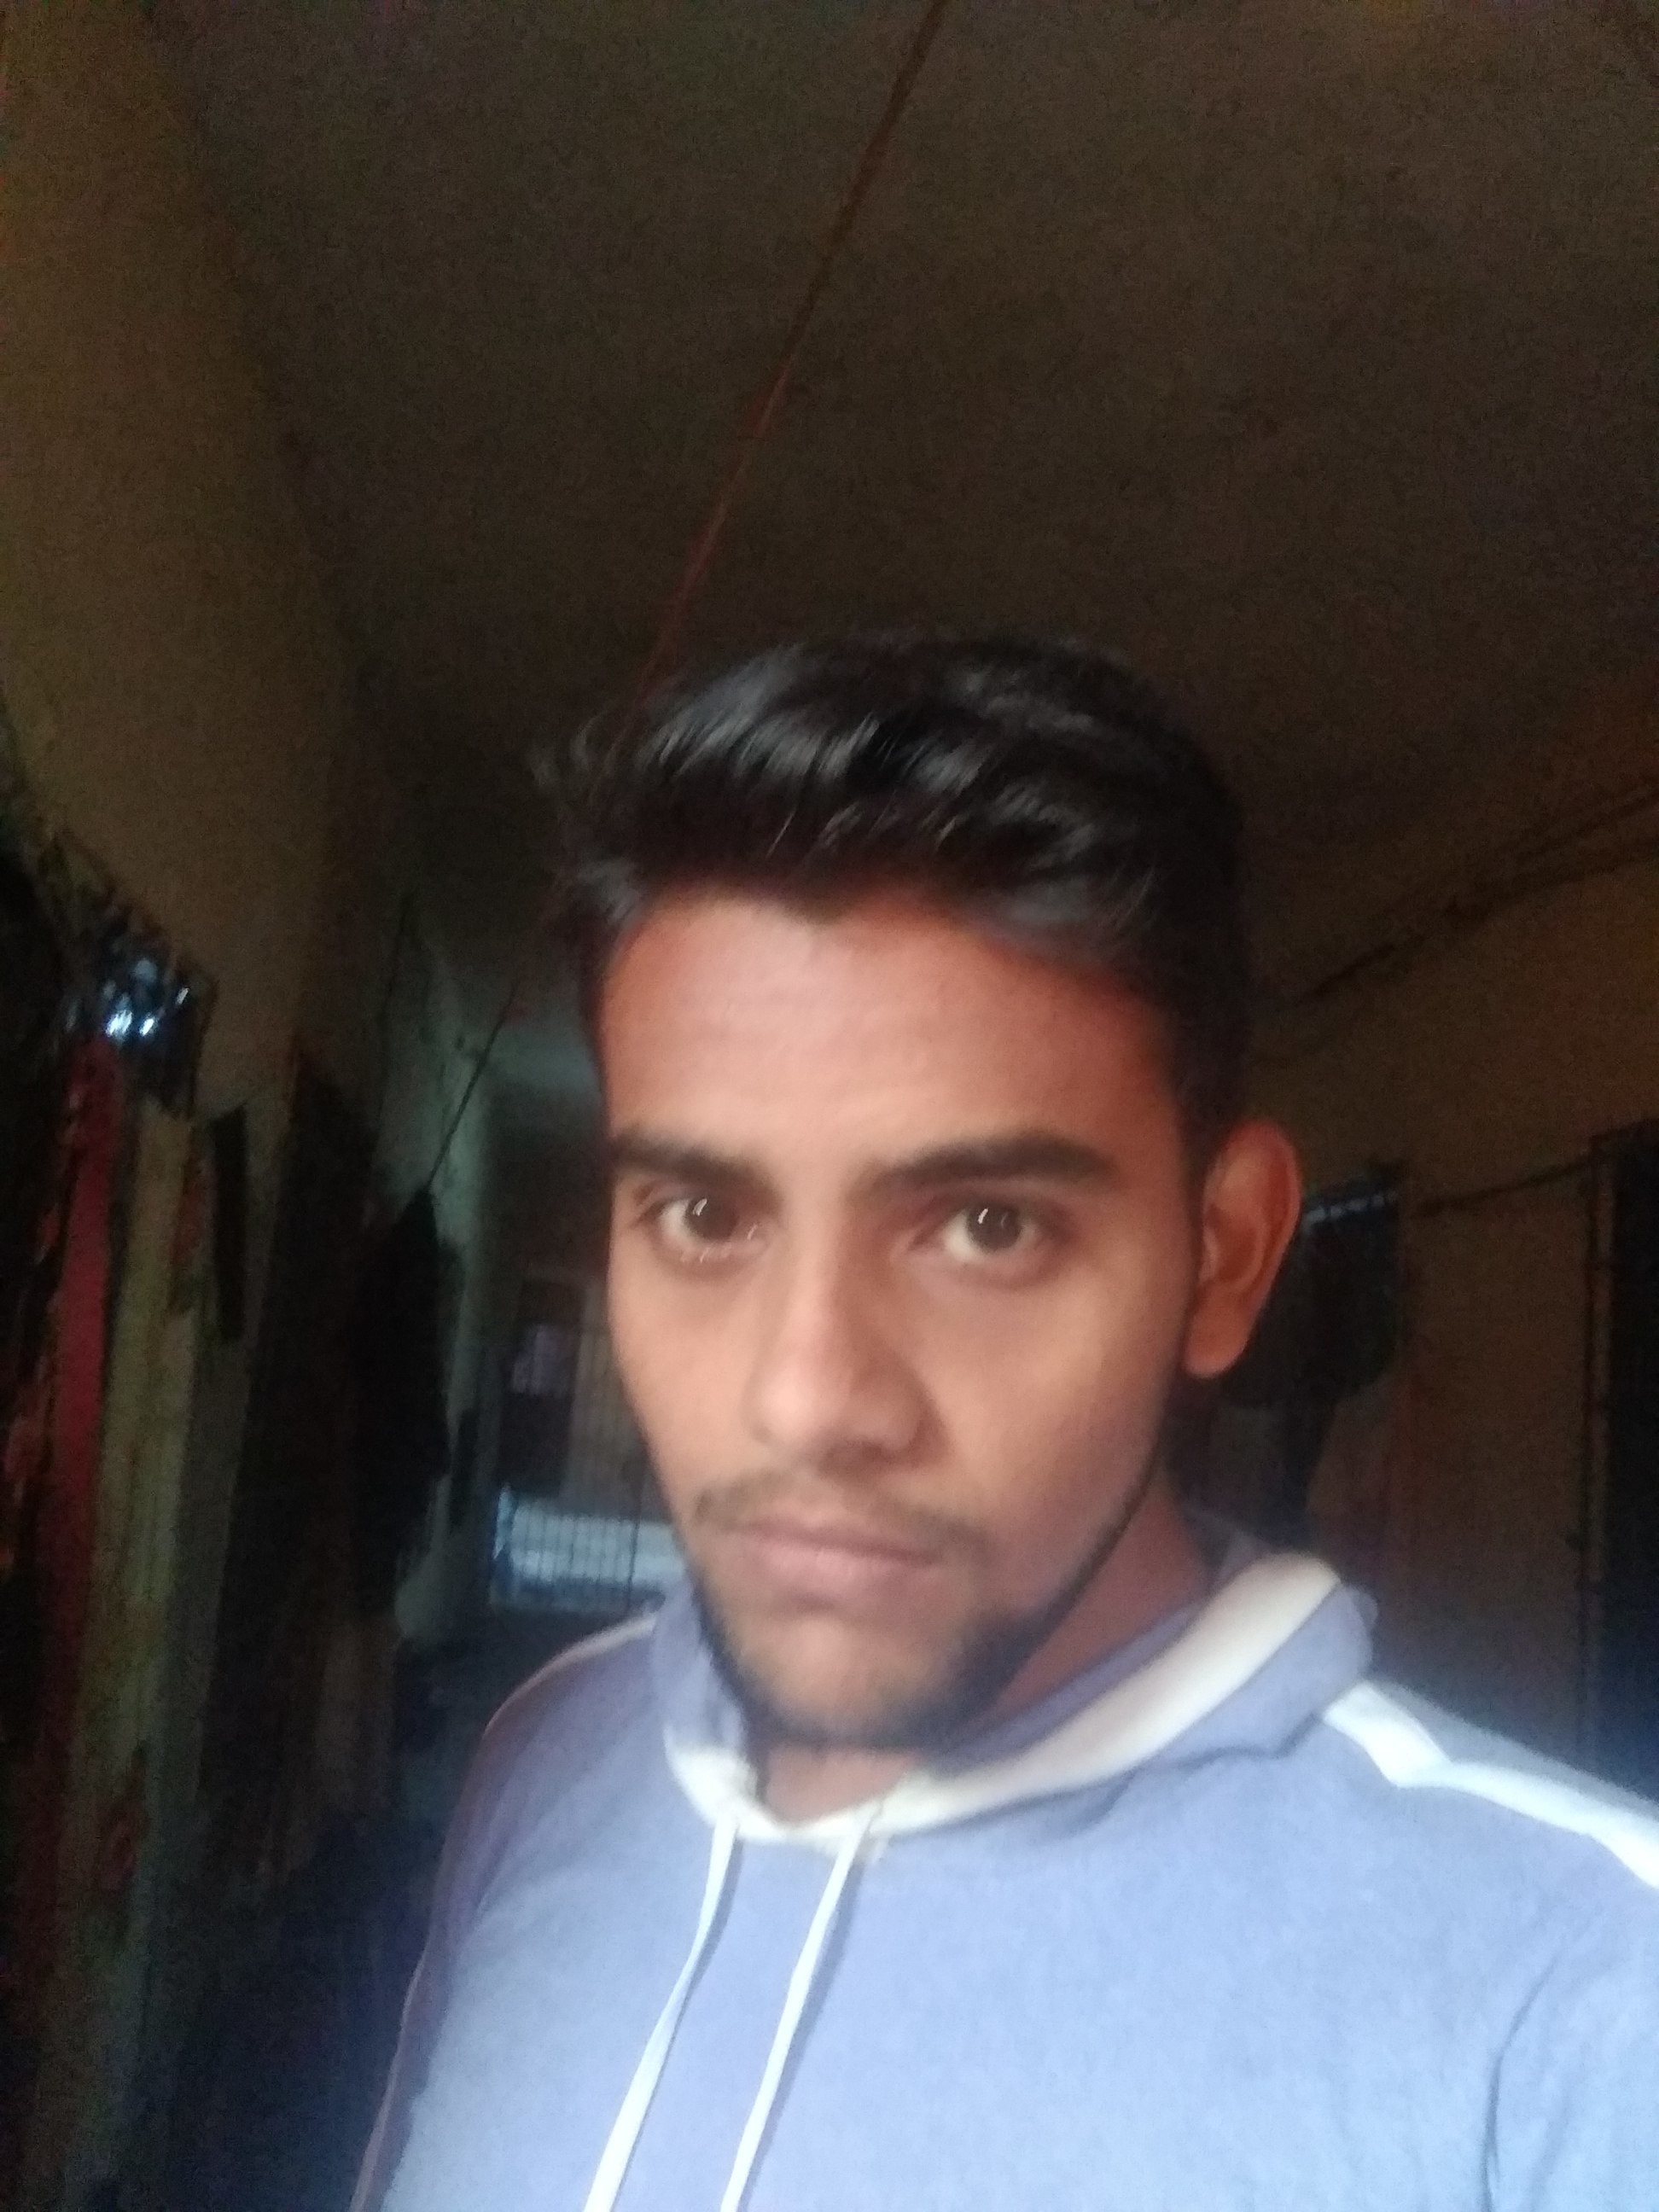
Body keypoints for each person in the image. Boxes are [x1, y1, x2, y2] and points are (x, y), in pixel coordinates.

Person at [355, 637, 1659, 2212]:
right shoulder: (550, 1749)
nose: (805, 1400)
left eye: (987, 1227)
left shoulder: (1582, 2010)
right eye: (704, 1215)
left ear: (1223, 1258)